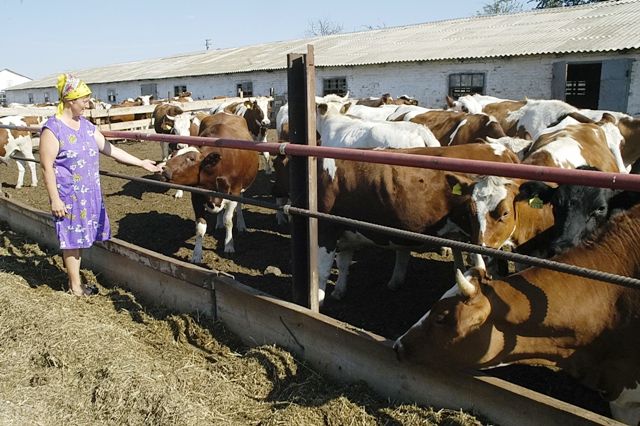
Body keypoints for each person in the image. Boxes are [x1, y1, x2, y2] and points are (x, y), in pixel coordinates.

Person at [40, 74, 162, 297]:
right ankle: (75, 286)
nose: (88, 104)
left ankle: (76, 284)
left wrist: (141, 163)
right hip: (68, 195)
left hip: (90, 193)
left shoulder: (86, 126)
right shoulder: (53, 129)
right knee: (71, 239)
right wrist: (55, 199)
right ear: (70, 100)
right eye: (84, 100)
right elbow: (47, 167)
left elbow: (111, 150)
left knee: (80, 238)